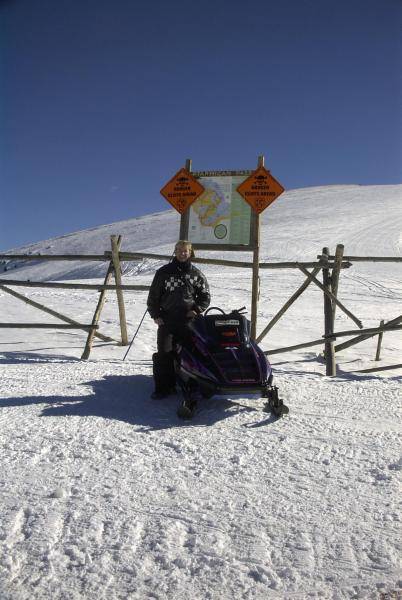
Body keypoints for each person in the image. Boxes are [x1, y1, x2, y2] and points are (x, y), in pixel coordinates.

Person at [147, 240, 211, 399]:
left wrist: (196, 310)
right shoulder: (163, 272)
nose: (182, 253)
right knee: (164, 353)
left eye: (186, 251)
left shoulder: (196, 274)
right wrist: (156, 315)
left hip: (189, 321)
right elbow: (154, 296)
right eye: (179, 250)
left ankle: (195, 384)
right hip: (167, 320)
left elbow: (205, 296)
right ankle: (164, 388)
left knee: (193, 352)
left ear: (190, 253)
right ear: (174, 251)